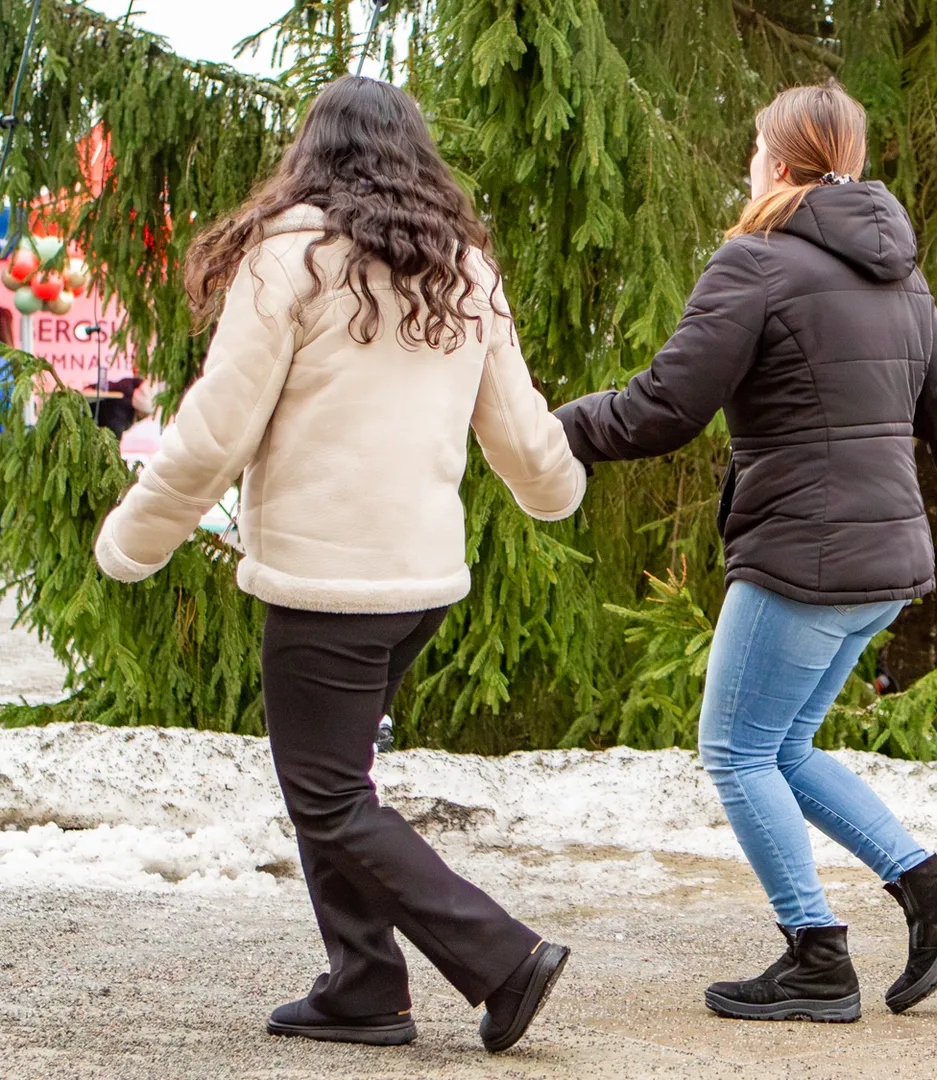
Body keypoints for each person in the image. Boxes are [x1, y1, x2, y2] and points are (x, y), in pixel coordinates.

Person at [92, 77, 581, 1052]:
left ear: (311, 154)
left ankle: (500, 956)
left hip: (328, 582)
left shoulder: (294, 259)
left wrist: (132, 541)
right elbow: (524, 435)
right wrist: (555, 493)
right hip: (420, 583)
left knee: (325, 793)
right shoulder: (460, 268)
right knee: (336, 780)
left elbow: (212, 434)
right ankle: (364, 986)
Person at [554, 82, 937, 1023]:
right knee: (782, 746)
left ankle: (817, 958)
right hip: (884, 560)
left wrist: (554, 428)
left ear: (780, 160)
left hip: (805, 557)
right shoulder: (900, 273)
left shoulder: (755, 262)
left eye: (755, 149)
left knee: (734, 752)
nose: (748, 164)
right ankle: (935, 895)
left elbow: (666, 406)